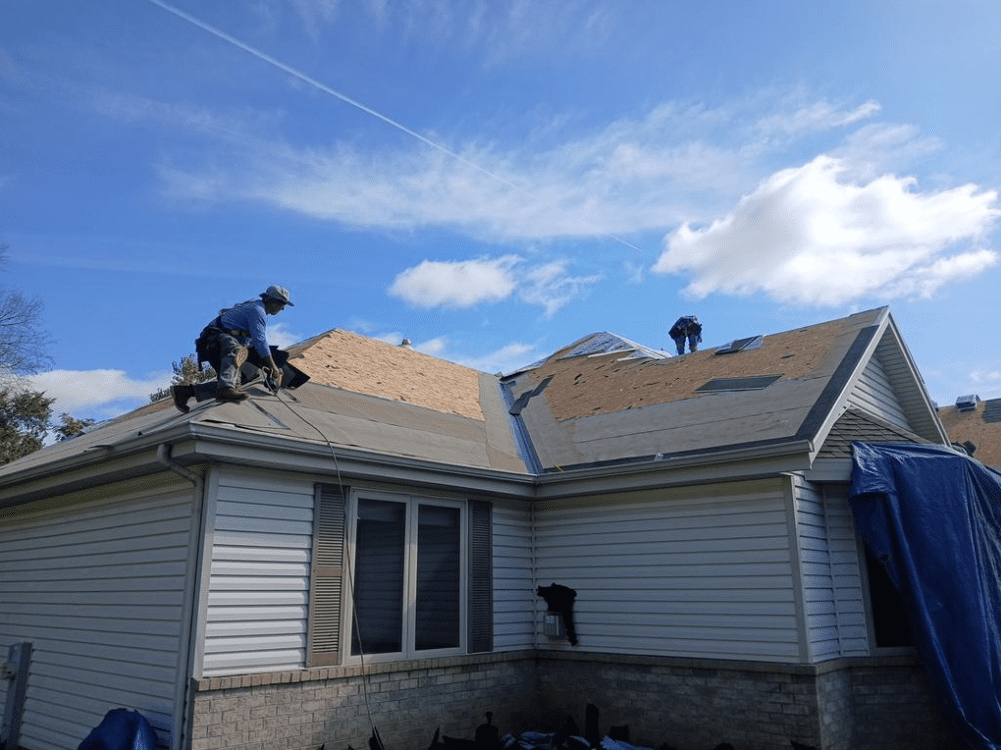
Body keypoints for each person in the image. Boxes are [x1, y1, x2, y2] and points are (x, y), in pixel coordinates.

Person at [172, 285, 294, 412]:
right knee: (237, 352)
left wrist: (269, 366)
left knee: (242, 379)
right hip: (214, 339)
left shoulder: (257, 310)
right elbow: (260, 341)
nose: (283, 308)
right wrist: (272, 365)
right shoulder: (257, 311)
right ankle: (225, 389)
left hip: (221, 344)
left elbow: (252, 344)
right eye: (281, 304)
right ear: (272, 301)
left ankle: (185, 392)